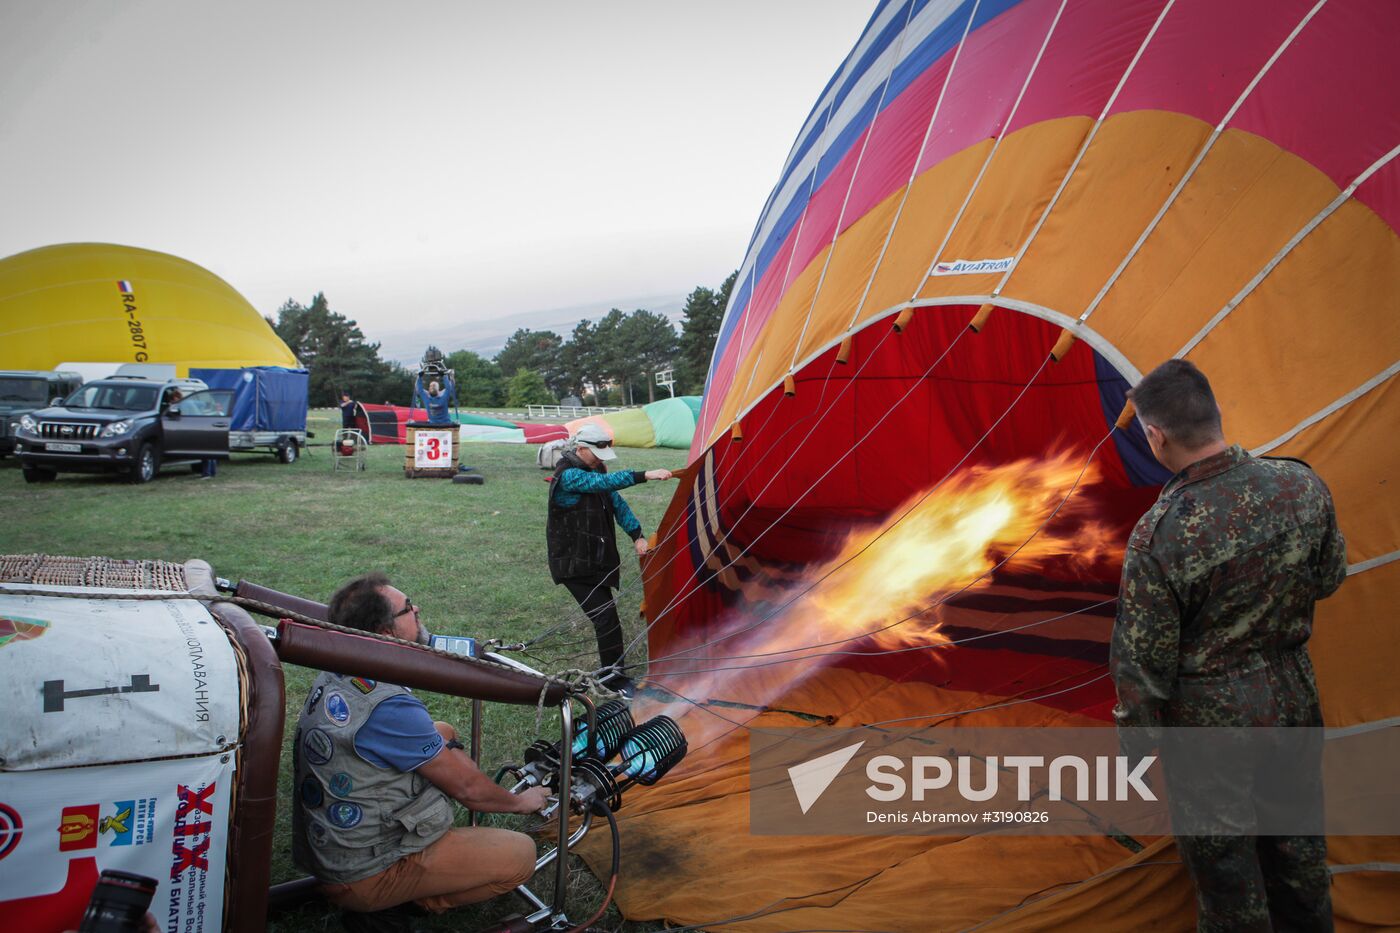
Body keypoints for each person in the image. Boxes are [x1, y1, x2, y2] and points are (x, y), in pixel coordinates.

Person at [1110, 359, 1347, 933]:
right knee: (1299, 858)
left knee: (1228, 881)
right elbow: (1330, 576)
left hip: (1210, 728)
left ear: (1156, 436)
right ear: (1215, 415)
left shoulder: (1160, 534)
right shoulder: (1301, 484)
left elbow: (1142, 668)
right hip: (1292, 698)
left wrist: (1136, 754)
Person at [292, 572, 550, 933]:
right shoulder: (388, 706)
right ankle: (407, 900)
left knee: (442, 731)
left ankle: (396, 888)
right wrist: (522, 801)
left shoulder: (340, 665)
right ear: (385, 633)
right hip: (366, 870)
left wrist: (449, 756)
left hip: (335, 847)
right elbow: (471, 793)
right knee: (520, 855)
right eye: (408, 608)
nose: (418, 608)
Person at [547, 423, 675, 695]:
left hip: (593, 561)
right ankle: (612, 680)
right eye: (595, 454)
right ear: (581, 449)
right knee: (606, 618)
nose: (599, 461)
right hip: (573, 564)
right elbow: (603, 484)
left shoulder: (592, 468)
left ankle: (612, 675)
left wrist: (637, 535)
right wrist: (646, 475)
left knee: (607, 618)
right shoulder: (569, 476)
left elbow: (616, 503)